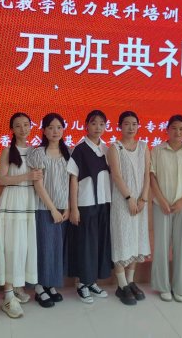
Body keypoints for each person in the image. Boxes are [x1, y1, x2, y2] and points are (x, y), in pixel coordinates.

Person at [150, 114, 182, 302]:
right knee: (161, 247)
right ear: (167, 130)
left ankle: (180, 287)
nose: (177, 132)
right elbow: (152, 177)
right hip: (161, 205)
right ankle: (162, 286)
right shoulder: (157, 151)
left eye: (181, 129)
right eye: (174, 128)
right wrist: (161, 200)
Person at [0, 112, 41, 318]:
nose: (23, 129)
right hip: (12, 203)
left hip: (29, 203)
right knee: (11, 248)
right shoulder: (8, 151)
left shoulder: (34, 151)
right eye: (18, 125)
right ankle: (7, 296)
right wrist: (27, 176)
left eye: (26, 125)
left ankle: (16, 287)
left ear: (31, 127)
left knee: (23, 247)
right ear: (12, 129)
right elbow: (1, 179)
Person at [67, 109, 112, 304]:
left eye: (102, 124)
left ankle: (92, 281)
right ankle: (81, 284)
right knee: (85, 245)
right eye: (94, 123)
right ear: (86, 125)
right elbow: (73, 179)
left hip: (104, 203)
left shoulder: (107, 149)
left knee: (99, 243)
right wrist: (74, 207)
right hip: (85, 204)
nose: (98, 127)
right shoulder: (80, 149)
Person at [27, 113, 71, 308]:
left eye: (59, 127)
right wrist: (52, 209)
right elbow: (38, 184)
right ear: (44, 131)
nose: (55, 131)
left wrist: (68, 206)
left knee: (56, 248)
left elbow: (70, 182)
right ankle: (39, 287)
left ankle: (49, 284)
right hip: (44, 208)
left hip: (63, 208)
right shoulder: (39, 153)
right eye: (51, 127)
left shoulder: (68, 152)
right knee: (44, 248)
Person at [107, 111, 151, 306]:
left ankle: (131, 281)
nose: (131, 127)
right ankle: (121, 284)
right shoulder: (114, 148)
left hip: (141, 201)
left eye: (134, 124)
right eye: (126, 124)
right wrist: (129, 198)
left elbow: (147, 174)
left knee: (136, 239)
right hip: (122, 201)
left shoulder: (143, 147)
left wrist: (143, 198)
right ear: (120, 126)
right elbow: (116, 176)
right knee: (122, 239)